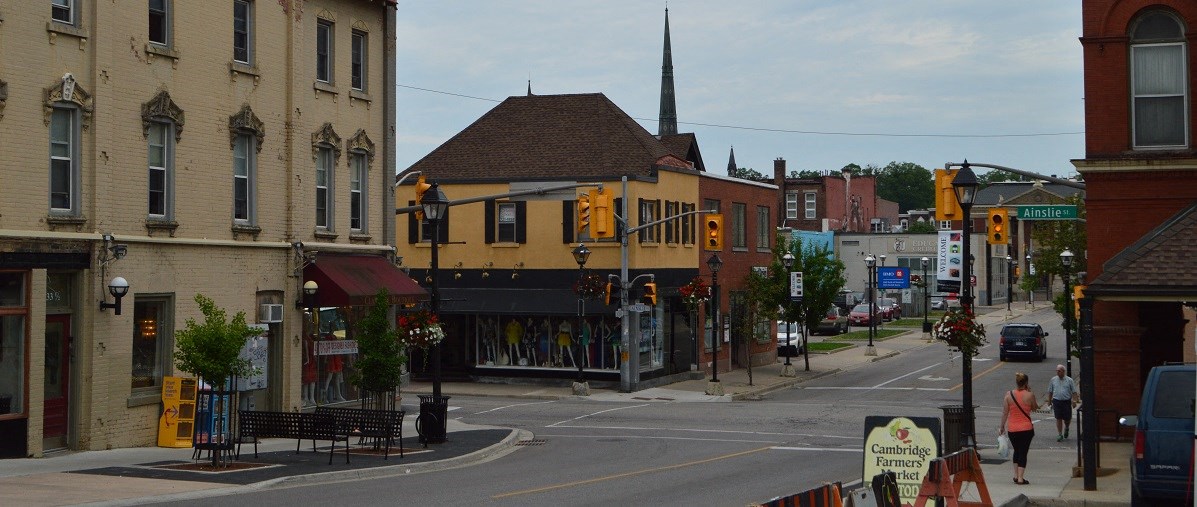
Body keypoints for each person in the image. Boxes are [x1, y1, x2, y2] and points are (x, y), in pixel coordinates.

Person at [999, 372, 1040, 485]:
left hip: (1012, 429)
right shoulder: (1029, 395)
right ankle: (1021, 478)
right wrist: (1029, 392)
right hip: (1026, 428)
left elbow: (1005, 413)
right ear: (1026, 382)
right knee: (1023, 452)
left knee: (1017, 451)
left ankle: (1016, 475)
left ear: (1017, 382)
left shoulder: (1008, 394)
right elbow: (1035, 408)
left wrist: (1001, 426)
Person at [1045, 364, 1078, 442]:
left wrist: (1074, 401)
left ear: (1063, 371)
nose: (1057, 372)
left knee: (1067, 418)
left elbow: (1074, 392)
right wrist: (1049, 401)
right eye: (1057, 371)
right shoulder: (1053, 380)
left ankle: (1066, 427)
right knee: (1058, 418)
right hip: (1057, 401)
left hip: (1066, 401)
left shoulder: (1069, 380)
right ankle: (1060, 434)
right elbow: (1050, 391)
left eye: (1059, 371)